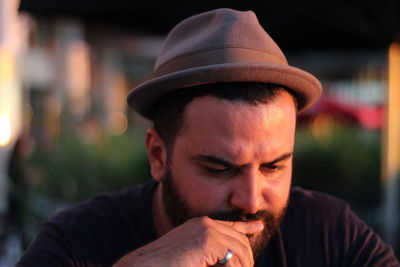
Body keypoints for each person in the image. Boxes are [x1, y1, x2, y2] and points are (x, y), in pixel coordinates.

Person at [17, 8, 399, 267]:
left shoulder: (330, 235)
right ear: (157, 155)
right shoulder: (77, 244)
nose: (250, 199)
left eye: (274, 166)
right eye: (219, 168)